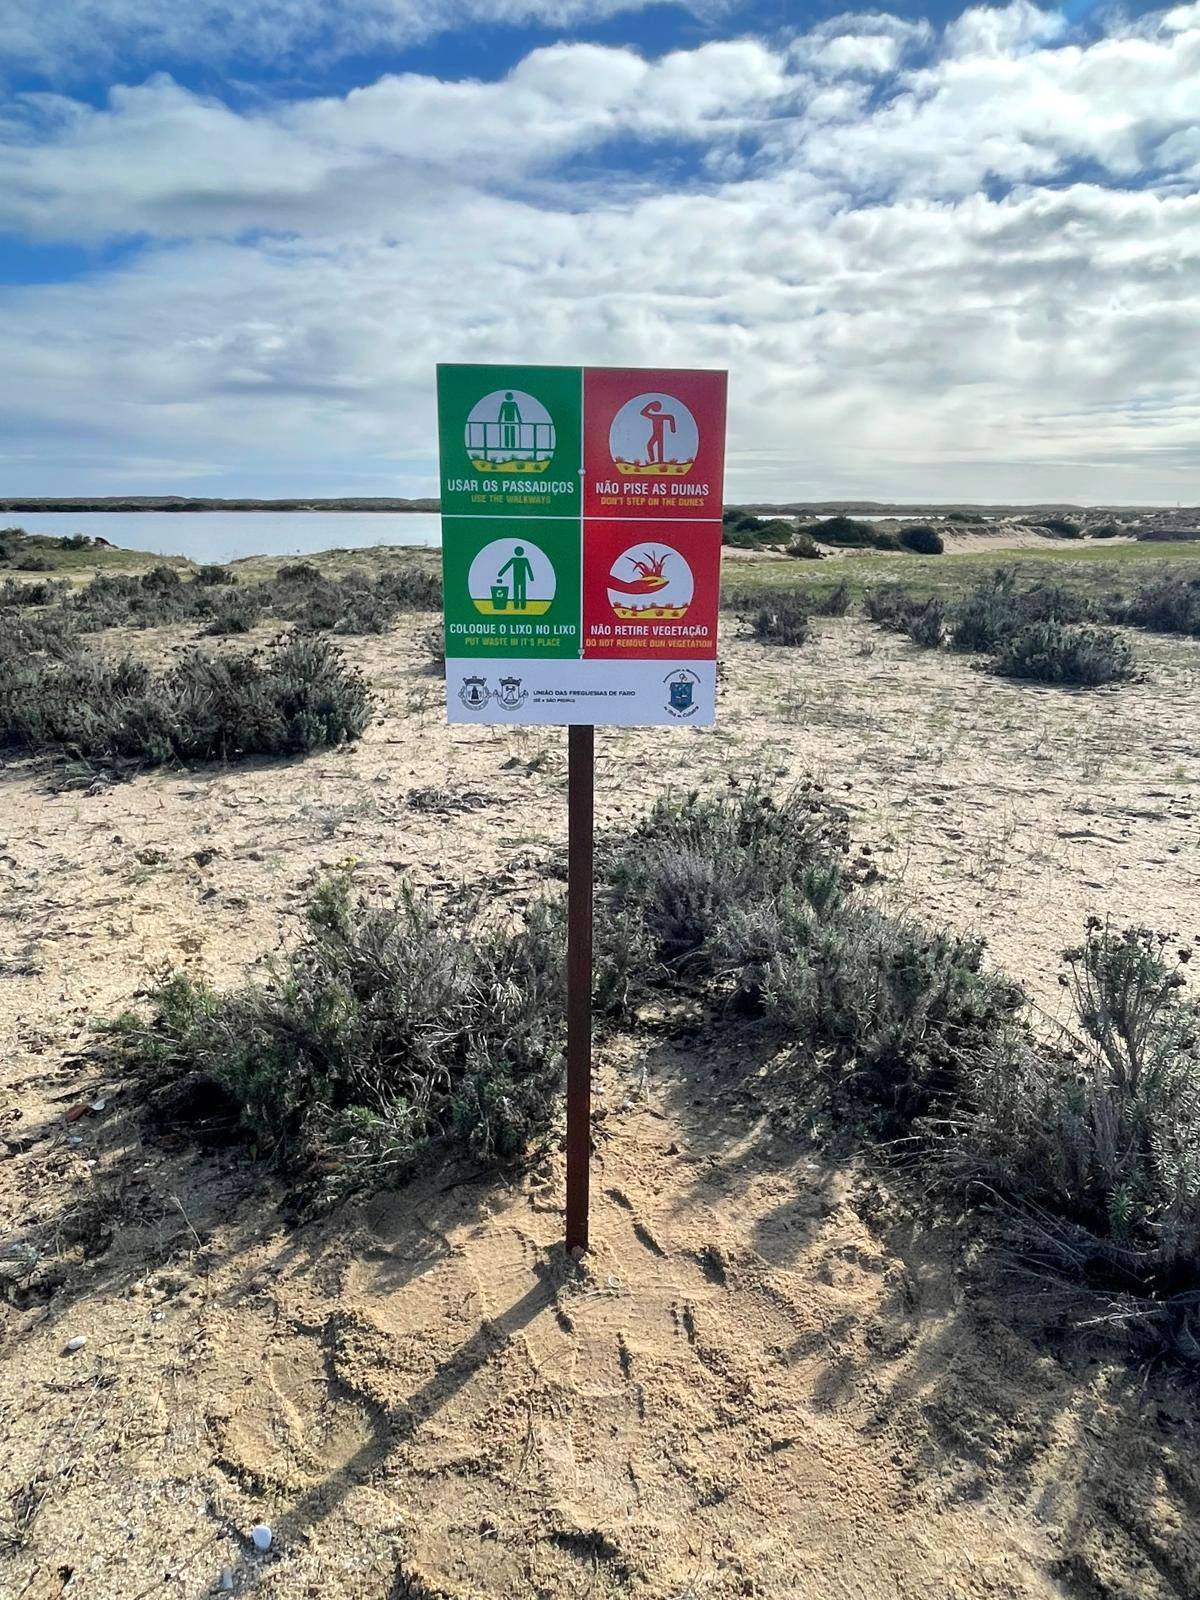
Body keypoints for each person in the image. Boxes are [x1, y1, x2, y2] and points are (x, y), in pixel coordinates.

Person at [640, 398, 676, 464]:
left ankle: (658, 461)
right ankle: (654, 460)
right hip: (656, 434)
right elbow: (642, 413)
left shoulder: (658, 416)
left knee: (656, 446)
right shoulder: (653, 416)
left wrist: (673, 429)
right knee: (650, 445)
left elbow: (671, 417)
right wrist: (652, 404)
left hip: (659, 434)